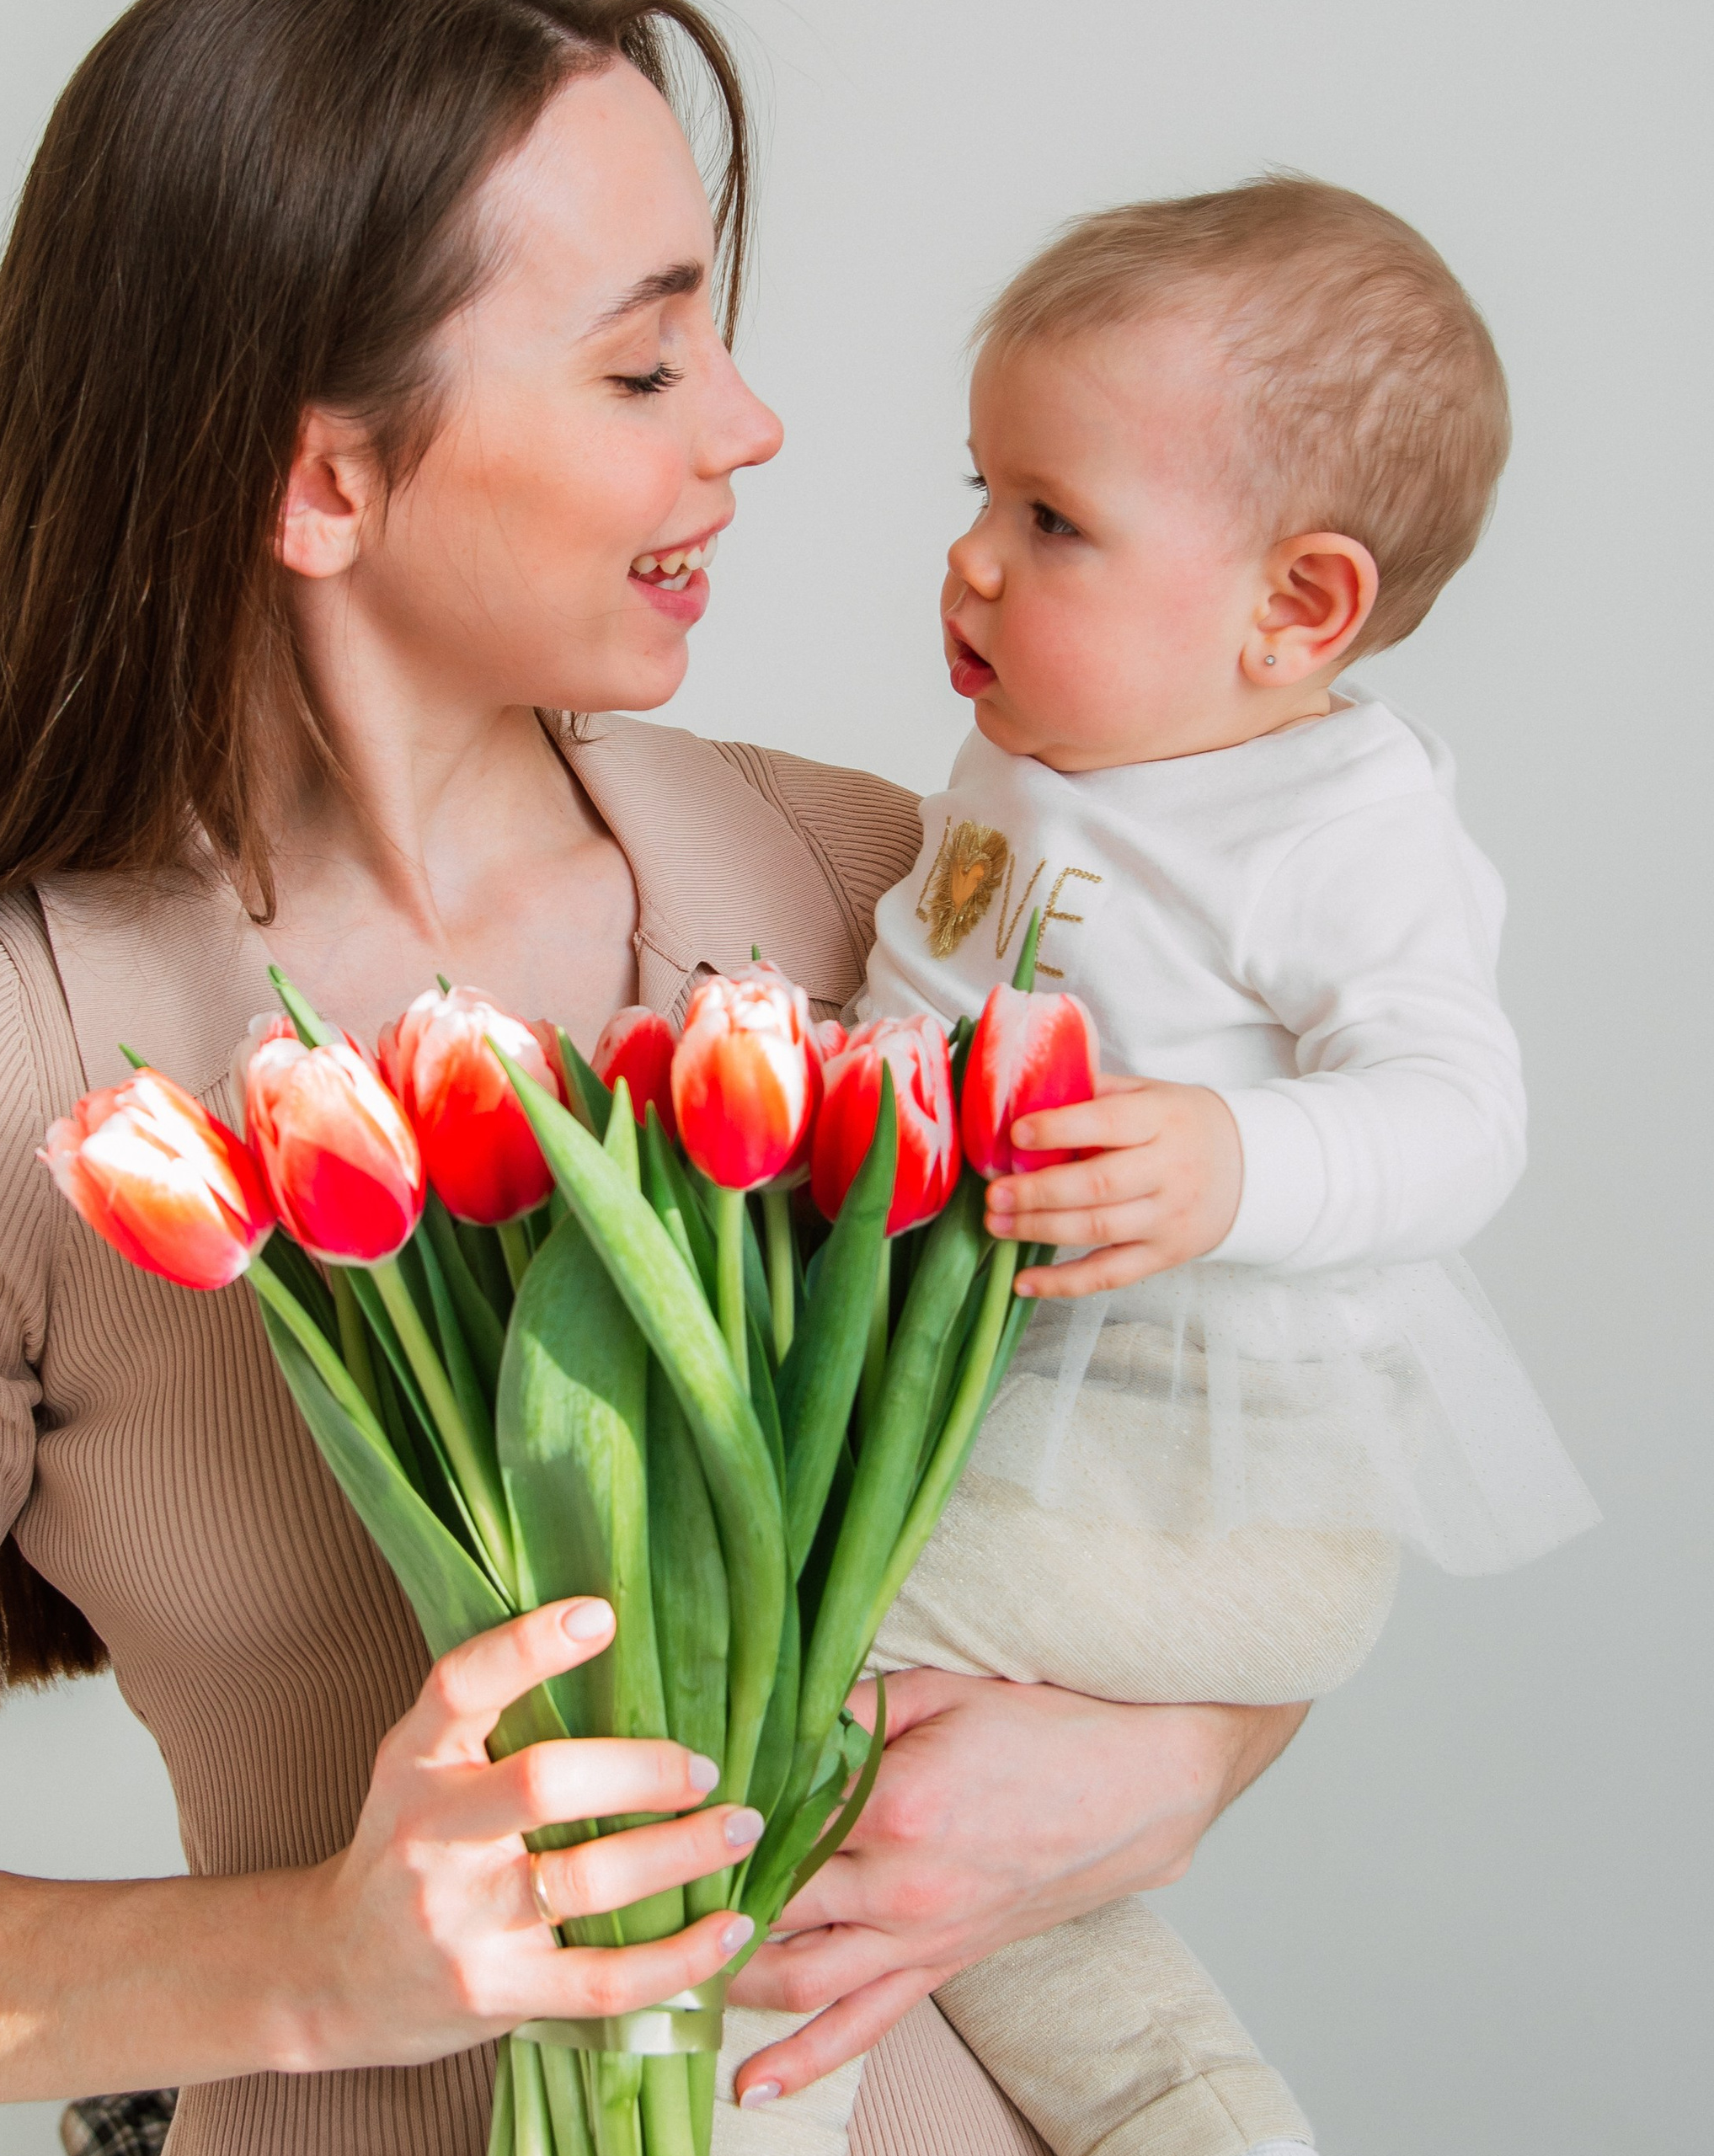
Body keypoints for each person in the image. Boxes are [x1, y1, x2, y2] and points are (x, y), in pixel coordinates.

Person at [0, 9, 1304, 2153]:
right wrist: (319, 1959)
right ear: (321, 475)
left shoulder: (879, 898)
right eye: (640, 367)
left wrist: (1174, 1758)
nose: (750, 425)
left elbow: (1252, 1436)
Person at [717, 178, 1599, 2156]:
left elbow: (1459, 1108)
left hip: (1197, 1472)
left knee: (772, 1672)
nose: (966, 558)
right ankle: (1185, 2118)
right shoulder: (1050, 742)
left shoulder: (1331, 816)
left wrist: (1230, 1154)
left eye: (1051, 520)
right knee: (968, 1845)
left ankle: (734, 2100)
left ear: (1296, 607)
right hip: (1036, 1442)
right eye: (979, 490)